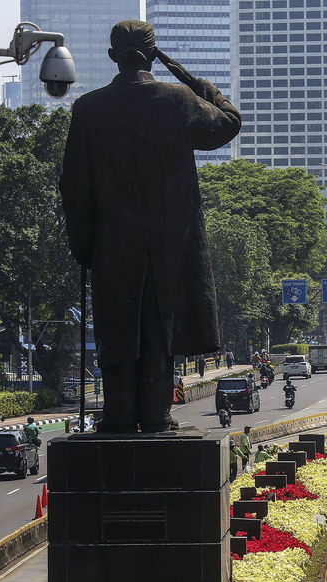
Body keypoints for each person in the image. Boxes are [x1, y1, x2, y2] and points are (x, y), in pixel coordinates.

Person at [60, 19, 241, 434]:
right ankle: (158, 414)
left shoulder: (89, 109)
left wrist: (82, 245)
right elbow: (229, 121)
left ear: (112, 56)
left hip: (111, 241)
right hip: (168, 243)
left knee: (116, 328)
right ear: (153, 54)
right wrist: (200, 85)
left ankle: (119, 414)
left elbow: (74, 185)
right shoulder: (177, 100)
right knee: (161, 324)